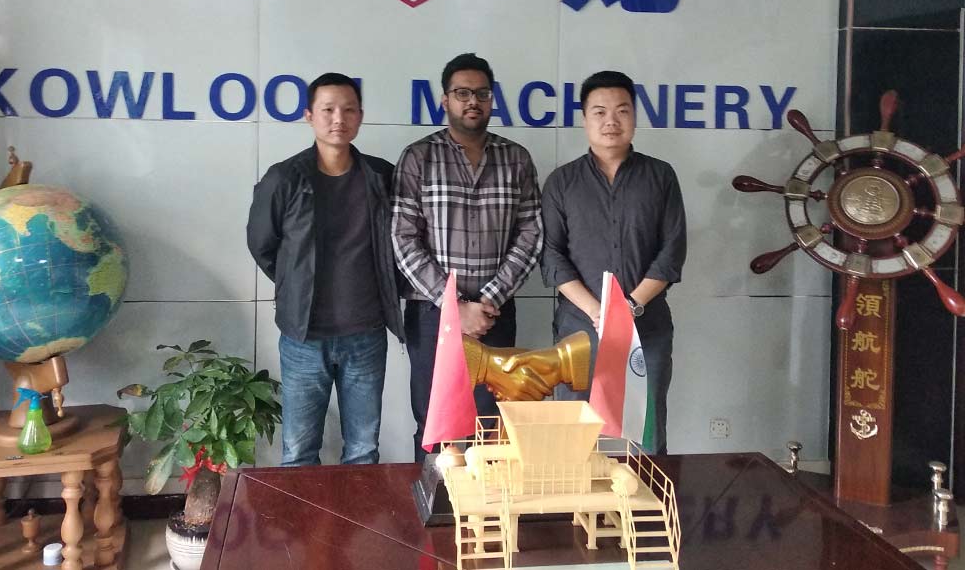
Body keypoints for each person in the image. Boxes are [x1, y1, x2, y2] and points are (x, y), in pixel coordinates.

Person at [247, 72, 403, 466]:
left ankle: (357, 512)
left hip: (366, 334)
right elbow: (262, 245)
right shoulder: (284, 178)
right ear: (309, 115)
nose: (339, 119)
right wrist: (295, 283)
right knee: (298, 452)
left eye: (349, 110)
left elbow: (403, 243)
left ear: (360, 116)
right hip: (304, 338)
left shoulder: (382, 177)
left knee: (363, 450)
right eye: (328, 109)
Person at [392, 52, 543, 460]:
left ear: (492, 100)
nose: (472, 101)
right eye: (462, 93)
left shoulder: (516, 159)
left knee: (489, 423)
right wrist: (455, 306)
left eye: (481, 93)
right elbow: (403, 238)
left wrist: (489, 300)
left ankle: (484, 502)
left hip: (495, 313)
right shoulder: (418, 157)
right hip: (432, 314)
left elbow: (532, 234)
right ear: (445, 100)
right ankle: (433, 500)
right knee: (434, 423)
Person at [540, 70, 686, 454]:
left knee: (648, 430)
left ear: (634, 117)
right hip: (579, 328)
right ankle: (574, 496)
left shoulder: (661, 176)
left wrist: (629, 307)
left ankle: (648, 494)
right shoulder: (561, 182)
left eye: (622, 111)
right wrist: (598, 312)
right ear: (584, 119)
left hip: (647, 326)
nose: (611, 121)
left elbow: (672, 251)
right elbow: (552, 256)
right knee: (573, 433)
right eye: (600, 112)